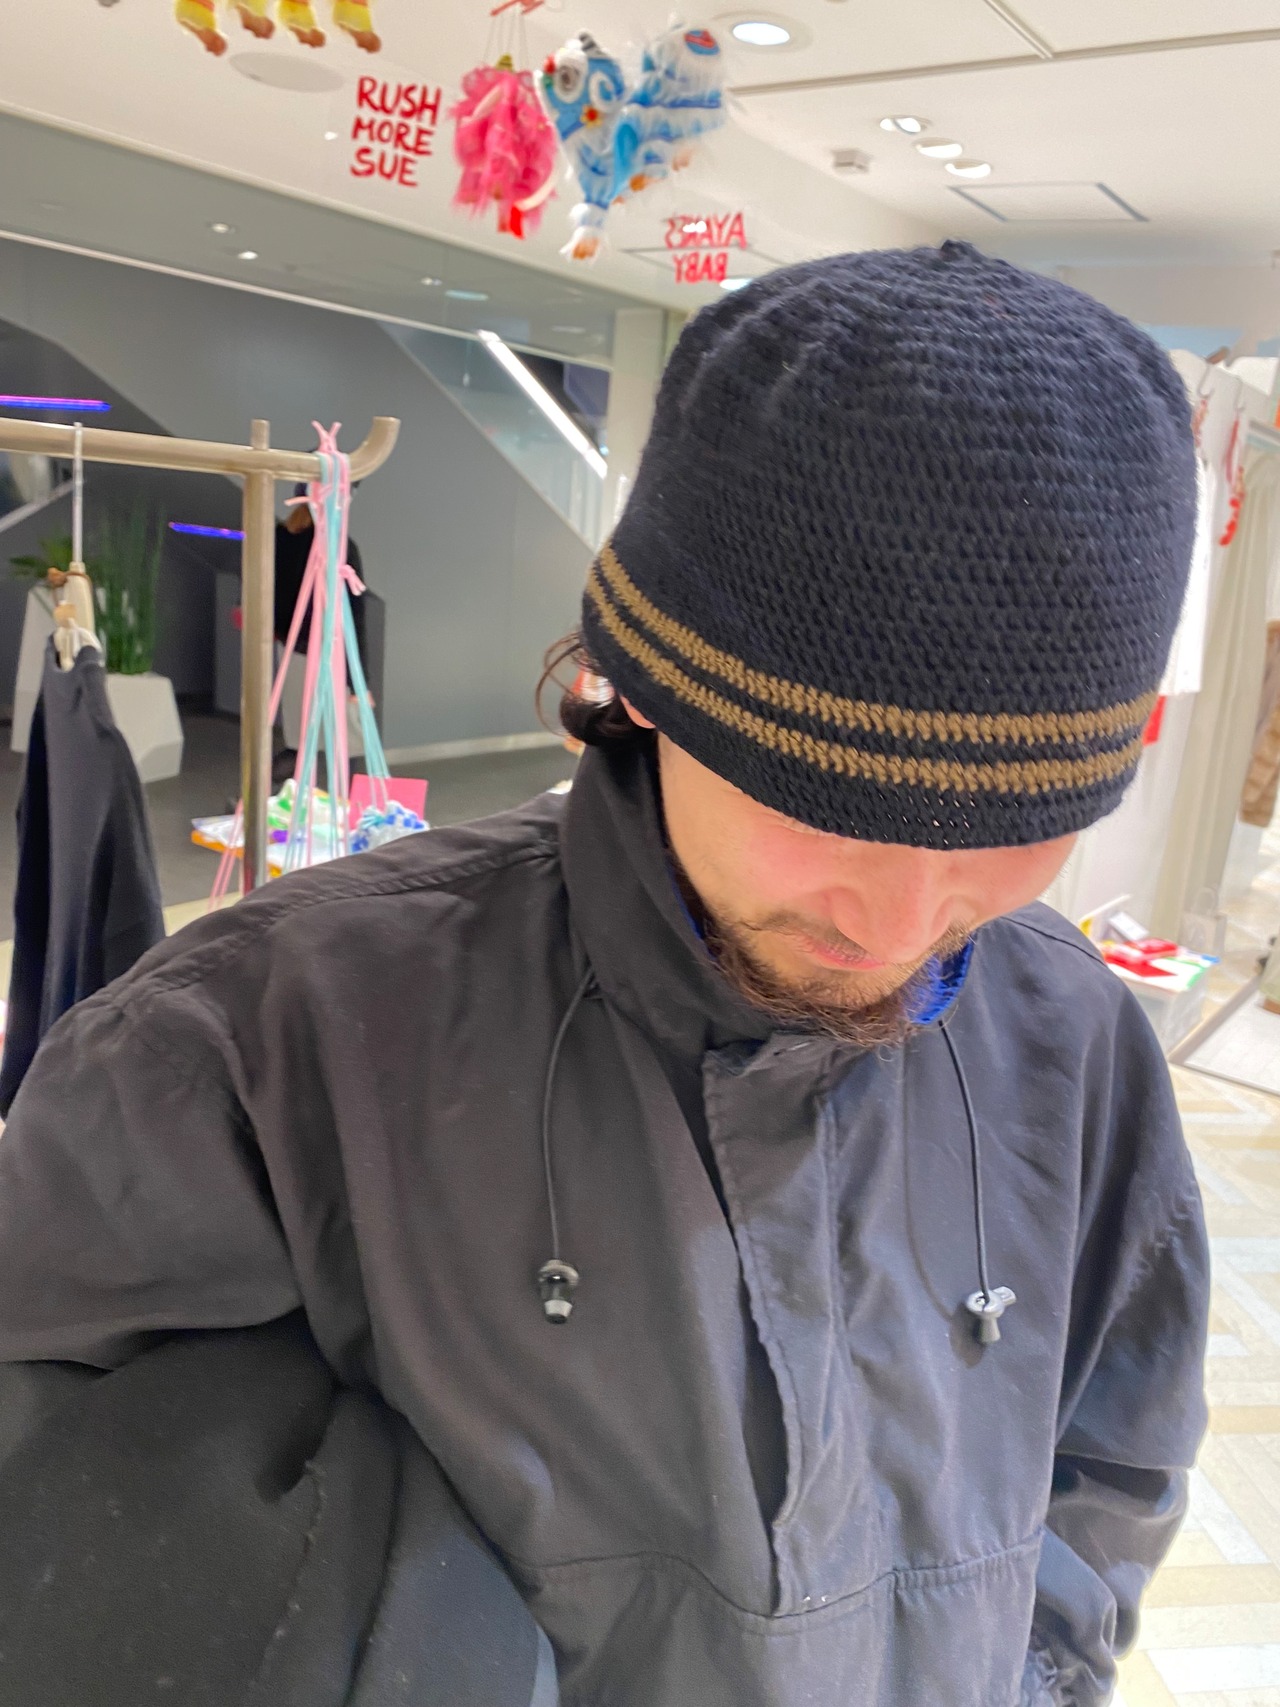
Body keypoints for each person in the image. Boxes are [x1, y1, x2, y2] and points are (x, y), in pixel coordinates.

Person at [0, 243, 1207, 1707]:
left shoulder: (1072, 1035)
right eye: (816, 799)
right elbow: (68, 1506)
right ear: (642, 687)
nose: (901, 917)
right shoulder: (252, 1047)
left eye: (1008, 830)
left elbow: (1110, 1460)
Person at [273, 481, 371, 784]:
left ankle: (259, 798)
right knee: (348, 740)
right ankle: (350, 805)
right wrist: (360, 684)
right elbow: (353, 617)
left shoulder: (279, 538)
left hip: (291, 651)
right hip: (329, 654)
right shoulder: (339, 546)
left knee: (299, 740)